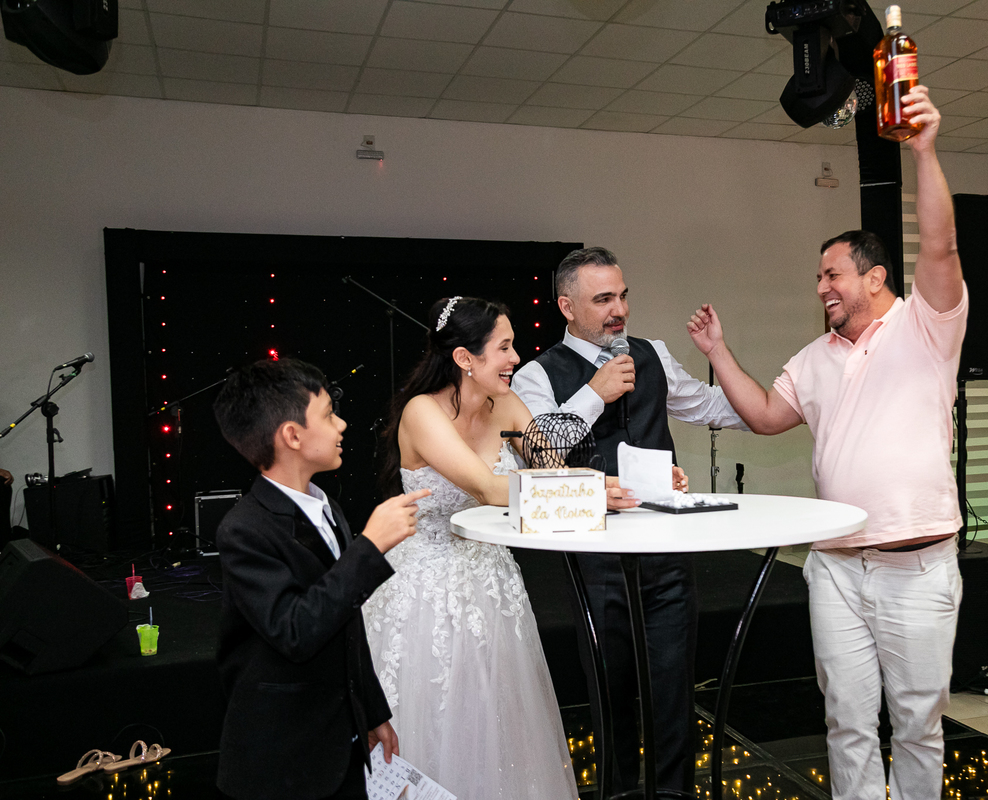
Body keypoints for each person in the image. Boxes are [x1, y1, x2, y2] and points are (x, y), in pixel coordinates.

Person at [686, 85, 966, 800]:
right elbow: (765, 416)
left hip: (915, 567)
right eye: (818, 277)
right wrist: (718, 352)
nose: (821, 288)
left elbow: (940, 245)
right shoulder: (814, 358)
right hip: (835, 569)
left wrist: (924, 150)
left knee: (917, 724)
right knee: (845, 721)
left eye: (832, 274)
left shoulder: (926, 327)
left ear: (875, 276)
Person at [511, 248, 747, 795]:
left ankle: (674, 792)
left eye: (622, 296)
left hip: (667, 550)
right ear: (566, 306)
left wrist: (794, 401)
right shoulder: (536, 376)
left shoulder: (652, 354)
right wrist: (595, 394)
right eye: (603, 299)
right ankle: (617, 792)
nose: (619, 310)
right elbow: (539, 456)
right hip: (594, 558)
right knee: (610, 692)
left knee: (673, 691)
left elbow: (715, 406)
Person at [365, 296, 600, 800]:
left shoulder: (508, 405)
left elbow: (554, 475)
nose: (516, 358)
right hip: (427, 588)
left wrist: (619, 488)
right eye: (504, 347)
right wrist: (596, 491)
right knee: (435, 716)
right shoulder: (422, 412)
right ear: (464, 358)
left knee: (497, 725)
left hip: (492, 586)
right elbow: (489, 488)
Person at [212, 358, 429, 800]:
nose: (342, 425)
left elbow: (346, 622)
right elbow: (296, 630)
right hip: (283, 759)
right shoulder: (244, 530)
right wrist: (369, 547)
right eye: (329, 414)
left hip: (340, 741)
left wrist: (370, 711)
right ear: (292, 436)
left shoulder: (324, 504)